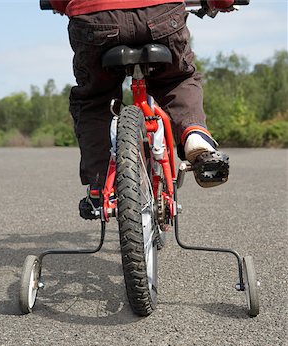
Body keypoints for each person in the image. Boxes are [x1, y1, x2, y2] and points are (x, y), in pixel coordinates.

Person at [49, 0, 235, 219]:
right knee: (178, 80)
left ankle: (99, 187)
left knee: (94, 100)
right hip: (160, 14)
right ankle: (194, 134)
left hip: (95, 20)